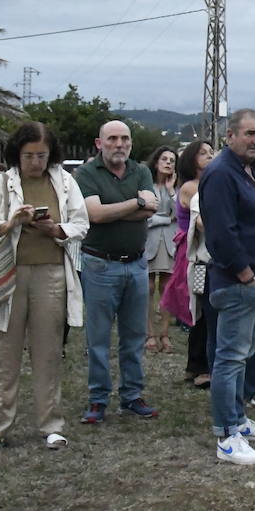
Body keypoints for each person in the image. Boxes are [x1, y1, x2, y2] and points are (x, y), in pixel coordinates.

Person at [0, 121, 89, 452]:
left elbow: (81, 224)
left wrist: (56, 229)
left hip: (51, 274)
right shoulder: (0, 182)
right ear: (16, 154)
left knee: (48, 351)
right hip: (8, 276)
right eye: (29, 155)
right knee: (3, 355)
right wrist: (9, 224)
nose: (36, 162)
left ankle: (51, 424)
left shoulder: (65, 181)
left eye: (42, 155)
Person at [198, 109, 255, 464]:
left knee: (242, 357)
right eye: (249, 133)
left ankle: (238, 419)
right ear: (229, 135)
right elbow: (221, 233)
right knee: (229, 359)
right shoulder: (220, 174)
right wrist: (247, 274)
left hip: (254, 282)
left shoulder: (249, 170)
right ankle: (226, 436)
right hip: (237, 283)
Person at [73, 120, 159, 423]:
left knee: (133, 336)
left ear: (131, 143)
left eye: (124, 139)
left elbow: (152, 209)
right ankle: (98, 400)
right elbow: (94, 214)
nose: (119, 144)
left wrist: (117, 208)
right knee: (97, 338)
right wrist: (136, 203)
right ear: (99, 144)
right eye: (112, 139)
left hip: (136, 264)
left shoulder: (142, 171)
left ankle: (132, 396)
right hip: (99, 264)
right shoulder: (86, 174)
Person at [162, 140, 212, 386]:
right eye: (203, 153)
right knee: (201, 308)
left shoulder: (203, 185)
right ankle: (201, 366)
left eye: (211, 152)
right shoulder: (193, 187)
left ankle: (194, 365)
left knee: (201, 308)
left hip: (198, 252)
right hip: (193, 253)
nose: (209, 156)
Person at [144, 146, 178, 354]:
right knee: (146, 287)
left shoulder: (176, 187)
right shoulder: (145, 185)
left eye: (172, 160)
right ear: (156, 162)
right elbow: (146, 216)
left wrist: (172, 190)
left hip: (170, 242)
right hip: (148, 241)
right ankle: (149, 333)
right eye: (164, 159)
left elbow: (180, 213)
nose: (168, 163)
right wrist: (165, 219)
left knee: (167, 288)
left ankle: (164, 333)